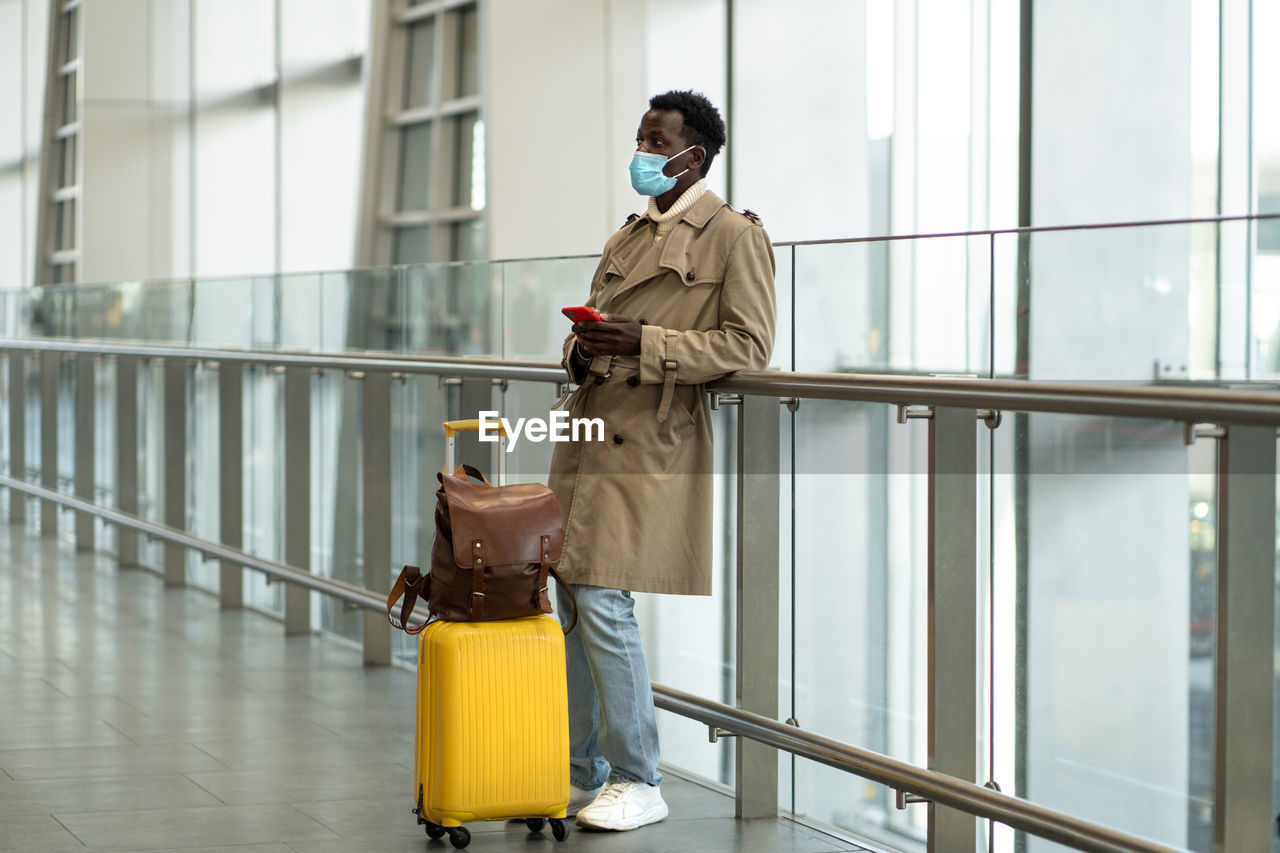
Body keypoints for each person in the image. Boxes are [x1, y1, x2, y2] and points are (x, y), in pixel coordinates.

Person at [548, 89, 776, 832]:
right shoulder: (627, 237)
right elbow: (583, 341)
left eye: (656, 142)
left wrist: (646, 344)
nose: (642, 155)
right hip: (590, 434)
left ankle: (640, 775)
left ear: (693, 156)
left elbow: (749, 346)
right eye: (642, 139)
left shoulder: (735, 236)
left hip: (654, 438)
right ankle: (579, 769)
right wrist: (585, 347)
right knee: (575, 598)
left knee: (606, 598)